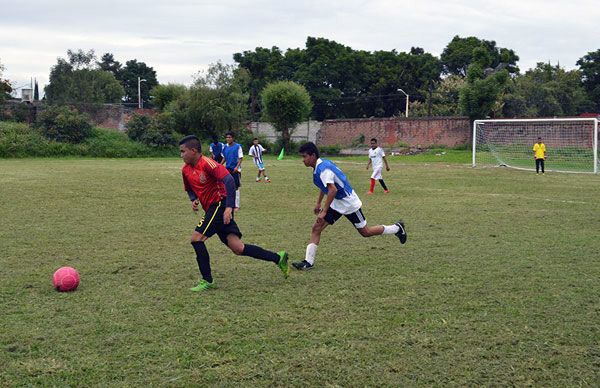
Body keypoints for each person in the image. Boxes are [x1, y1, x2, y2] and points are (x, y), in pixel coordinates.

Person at [179, 135, 289, 292]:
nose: (181, 155)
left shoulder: (208, 164)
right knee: (238, 248)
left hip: (219, 205)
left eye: (183, 151)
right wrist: (193, 199)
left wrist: (229, 207)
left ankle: (207, 280)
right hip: (213, 208)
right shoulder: (186, 170)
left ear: (193, 150)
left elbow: (229, 180)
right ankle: (278, 258)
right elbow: (189, 188)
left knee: (196, 239)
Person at [292, 142, 407, 270]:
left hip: (348, 203)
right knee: (316, 228)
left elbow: (333, 189)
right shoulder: (319, 166)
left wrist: (324, 210)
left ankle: (397, 228)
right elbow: (325, 186)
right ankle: (308, 262)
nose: (303, 160)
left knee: (365, 232)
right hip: (336, 203)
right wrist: (318, 202)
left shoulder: (323, 168)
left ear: (313, 156)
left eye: (304, 157)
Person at [223, 132, 243, 209]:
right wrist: (220, 165)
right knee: (227, 186)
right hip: (227, 169)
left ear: (233, 138)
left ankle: (236, 205)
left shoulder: (238, 146)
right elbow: (224, 157)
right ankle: (229, 204)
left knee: (236, 187)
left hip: (235, 170)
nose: (228, 139)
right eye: (227, 137)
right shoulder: (225, 147)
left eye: (230, 137)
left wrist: (236, 167)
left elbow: (240, 158)